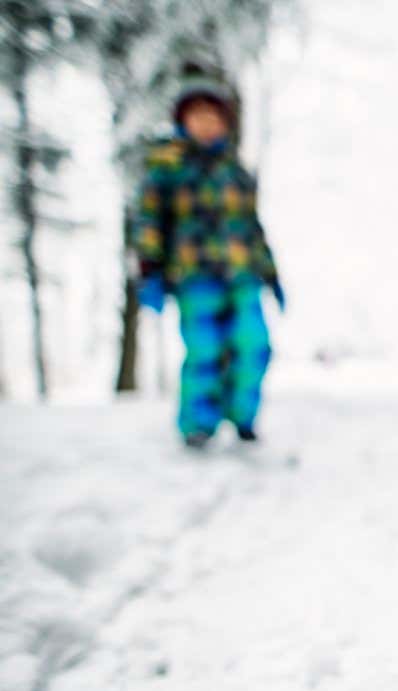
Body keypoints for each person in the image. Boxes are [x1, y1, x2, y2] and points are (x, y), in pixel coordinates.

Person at [133, 68, 284, 449]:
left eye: (212, 116)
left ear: (225, 123)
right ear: (182, 122)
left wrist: (271, 273)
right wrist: (149, 267)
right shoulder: (168, 166)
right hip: (194, 275)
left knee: (254, 344)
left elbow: (251, 226)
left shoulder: (236, 172)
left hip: (242, 273)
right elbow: (150, 218)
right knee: (204, 350)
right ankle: (199, 423)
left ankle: (242, 415)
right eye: (195, 116)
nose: (205, 123)